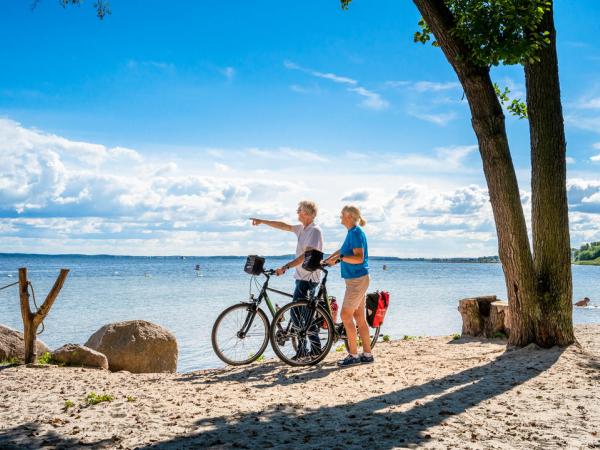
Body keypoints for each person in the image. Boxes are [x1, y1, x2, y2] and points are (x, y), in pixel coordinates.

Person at [250, 200, 323, 359]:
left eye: (300, 210)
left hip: (309, 278)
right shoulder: (302, 229)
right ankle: (313, 349)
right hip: (300, 276)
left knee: (298, 313)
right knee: (302, 313)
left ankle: (306, 351)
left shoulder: (315, 231)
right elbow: (283, 226)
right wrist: (263, 221)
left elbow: (306, 256)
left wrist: (286, 267)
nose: (297, 212)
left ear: (309, 213)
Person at [324, 205, 372, 367]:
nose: (340, 217)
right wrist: (328, 259)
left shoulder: (357, 233)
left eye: (342, 215)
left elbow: (358, 258)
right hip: (356, 279)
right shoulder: (352, 232)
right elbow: (343, 251)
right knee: (359, 317)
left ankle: (353, 355)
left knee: (345, 316)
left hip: (357, 280)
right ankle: (367, 354)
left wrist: (340, 259)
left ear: (350, 216)